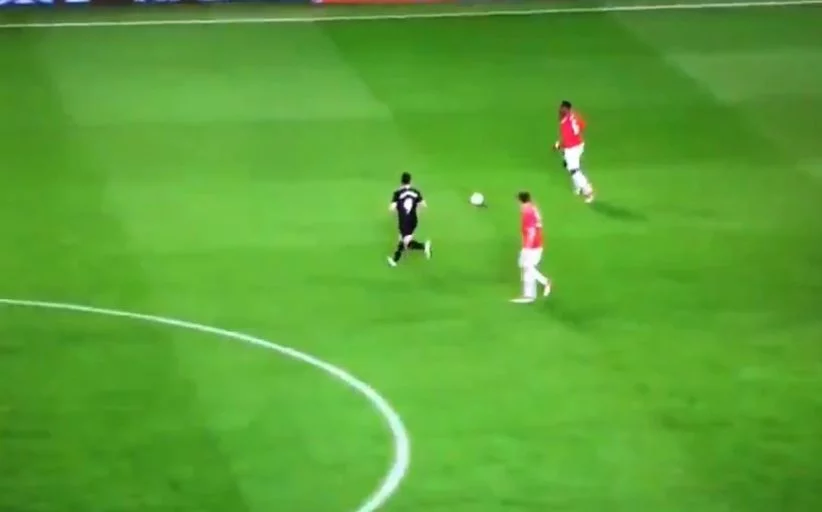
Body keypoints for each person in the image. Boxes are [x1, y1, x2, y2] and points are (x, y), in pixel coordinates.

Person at [511, 191, 551, 303]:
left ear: (520, 201)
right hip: (536, 243)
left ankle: (545, 282)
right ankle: (529, 295)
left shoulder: (527, 213)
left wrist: (527, 246)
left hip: (532, 246)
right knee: (526, 267)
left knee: (527, 266)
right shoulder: (533, 208)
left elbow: (531, 231)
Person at [387, 172, 432, 267]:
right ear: (410, 181)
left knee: (406, 242)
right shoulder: (415, 192)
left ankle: (424, 246)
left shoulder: (398, 193)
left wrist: (397, 209)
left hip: (404, 221)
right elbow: (424, 205)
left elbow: (391, 208)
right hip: (413, 219)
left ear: (401, 182)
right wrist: (416, 209)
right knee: (402, 239)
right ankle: (395, 260)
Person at [555, 100, 595, 203]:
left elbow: (566, 139)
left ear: (566, 109)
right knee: (570, 166)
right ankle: (578, 187)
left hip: (572, 148)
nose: (560, 110)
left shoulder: (566, 122)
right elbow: (583, 125)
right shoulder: (574, 115)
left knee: (573, 170)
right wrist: (576, 134)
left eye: (562, 108)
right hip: (578, 144)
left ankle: (588, 191)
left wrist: (558, 146)